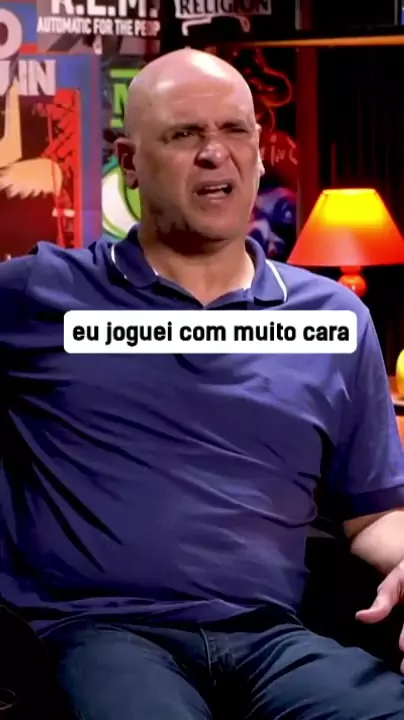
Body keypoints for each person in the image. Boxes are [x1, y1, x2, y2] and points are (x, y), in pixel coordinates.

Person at [1, 48, 404, 720]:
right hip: (100, 633)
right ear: (130, 163)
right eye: (185, 134)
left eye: (234, 130)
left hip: (273, 640)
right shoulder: (39, 295)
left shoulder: (332, 318)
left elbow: (375, 510)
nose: (216, 154)